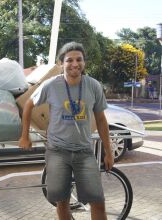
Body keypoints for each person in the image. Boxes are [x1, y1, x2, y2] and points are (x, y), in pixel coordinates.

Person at [19, 41, 114, 220]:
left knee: (98, 202)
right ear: (60, 63)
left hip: (84, 152)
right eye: (69, 60)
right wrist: (24, 135)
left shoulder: (93, 86)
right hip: (57, 152)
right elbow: (28, 105)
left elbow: (101, 120)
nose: (75, 64)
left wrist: (108, 152)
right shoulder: (50, 85)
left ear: (84, 63)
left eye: (79, 59)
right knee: (62, 203)